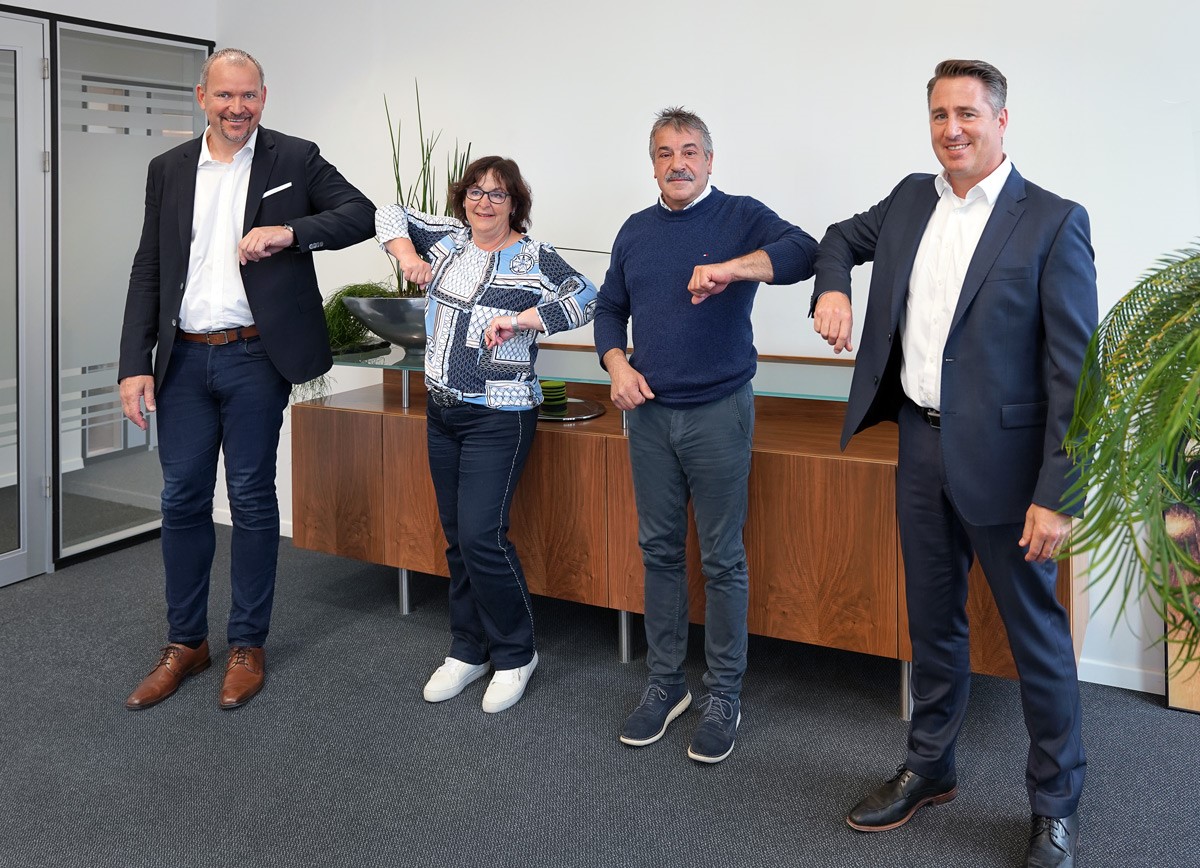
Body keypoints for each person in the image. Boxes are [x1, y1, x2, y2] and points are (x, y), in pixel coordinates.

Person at [812, 59, 1096, 867]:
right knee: (933, 623)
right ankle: (930, 766)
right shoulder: (909, 200)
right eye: (939, 114)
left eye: (968, 114)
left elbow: (1077, 375)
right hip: (921, 445)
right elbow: (837, 240)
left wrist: (1057, 492)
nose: (952, 129)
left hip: (1010, 469)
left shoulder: (1051, 220)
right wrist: (833, 289)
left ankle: (1054, 805)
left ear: (1003, 121)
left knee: (1035, 638)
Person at [119, 48, 375, 711]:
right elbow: (149, 264)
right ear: (202, 95)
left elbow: (360, 214)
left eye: (250, 97)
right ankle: (185, 643)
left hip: (255, 357)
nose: (238, 108)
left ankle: (247, 643)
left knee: (253, 499)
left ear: (265, 96)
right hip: (181, 362)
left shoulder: (295, 157)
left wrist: (287, 231)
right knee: (181, 499)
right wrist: (132, 364)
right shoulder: (168, 170)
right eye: (225, 96)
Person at [593, 107, 817, 763]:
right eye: (665, 153)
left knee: (722, 559)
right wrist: (614, 363)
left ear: (710, 161)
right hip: (649, 414)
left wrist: (736, 268)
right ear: (653, 164)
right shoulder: (635, 232)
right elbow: (610, 308)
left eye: (690, 151)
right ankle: (665, 685)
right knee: (658, 550)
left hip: (720, 411)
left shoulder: (740, 215)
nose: (678, 163)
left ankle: (724, 693)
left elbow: (805, 251)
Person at [377, 156, 598, 714]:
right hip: (442, 411)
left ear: (515, 202)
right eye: (475, 192)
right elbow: (389, 214)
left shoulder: (534, 258)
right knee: (456, 537)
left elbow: (588, 297)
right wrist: (406, 254)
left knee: (483, 537)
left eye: (497, 194)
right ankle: (467, 648)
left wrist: (524, 320)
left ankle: (516, 653)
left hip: (499, 415)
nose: (484, 202)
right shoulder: (448, 242)